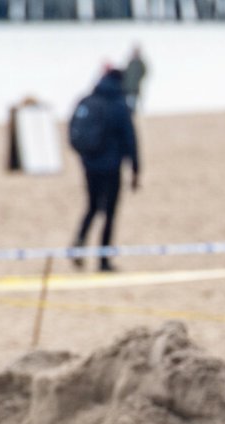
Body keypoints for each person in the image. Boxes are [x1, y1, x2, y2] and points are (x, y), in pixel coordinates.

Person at [69, 68, 140, 273]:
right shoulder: (118, 104)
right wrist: (135, 169)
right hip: (111, 167)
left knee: (91, 207)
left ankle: (80, 242)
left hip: (89, 165)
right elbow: (130, 139)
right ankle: (103, 260)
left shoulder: (90, 99)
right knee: (109, 213)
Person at [121, 45, 148, 113]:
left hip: (135, 87)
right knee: (130, 103)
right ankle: (132, 114)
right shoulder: (130, 62)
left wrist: (138, 80)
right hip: (128, 87)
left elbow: (144, 72)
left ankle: (135, 114)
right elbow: (125, 73)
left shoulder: (140, 63)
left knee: (134, 103)